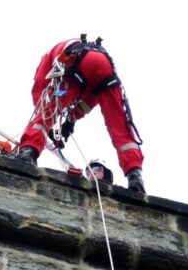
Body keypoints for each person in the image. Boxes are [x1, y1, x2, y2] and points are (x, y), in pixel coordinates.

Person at [16, 35, 146, 193]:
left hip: (77, 62)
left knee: (45, 116)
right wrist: (71, 119)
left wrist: (48, 126)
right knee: (120, 128)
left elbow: (41, 95)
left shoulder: (48, 58)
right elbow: (90, 99)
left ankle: (27, 154)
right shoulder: (81, 49)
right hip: (105, 66)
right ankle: (135, 176)